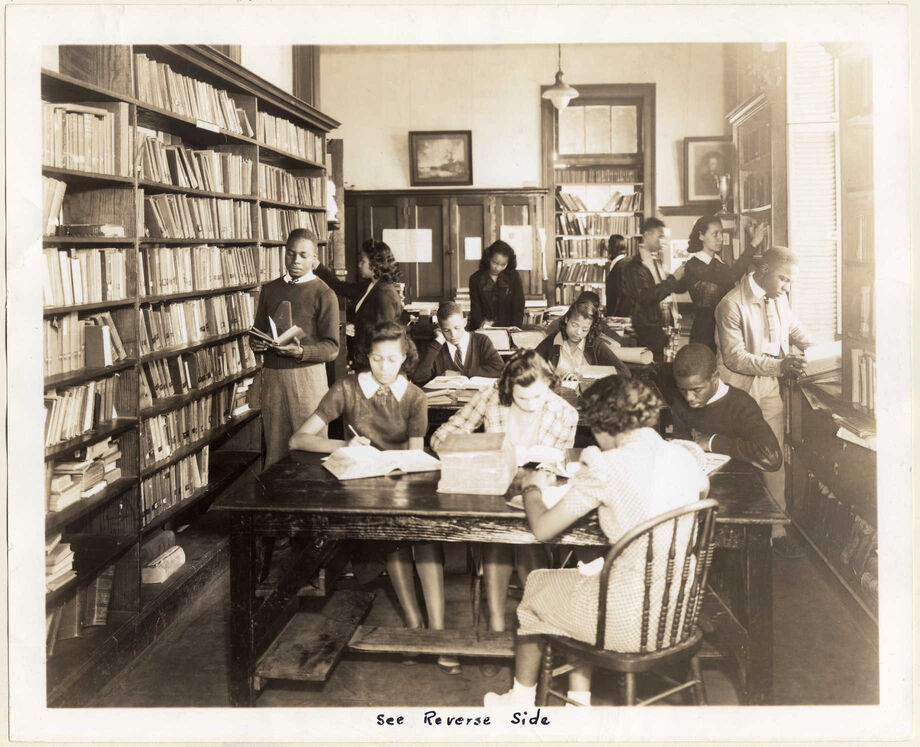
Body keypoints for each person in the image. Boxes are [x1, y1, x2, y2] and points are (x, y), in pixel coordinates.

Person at [484, 376, 709, 707]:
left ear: (605, 425)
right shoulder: (685, 456)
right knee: (585, 579)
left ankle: (519, 701)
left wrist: (531, 487)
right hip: (677, 613)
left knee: (537, 586)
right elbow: (701, 488)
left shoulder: (607, 466)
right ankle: (577, 702)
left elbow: (544, 529)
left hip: (626, 621)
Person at [288, 321, 460, 675]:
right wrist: (344, 443)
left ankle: (438, 631)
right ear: (366, 356)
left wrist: (399, 472)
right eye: (377, 358)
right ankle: (413, 623)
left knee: (426, 537)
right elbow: (299, 440)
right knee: (393, 540)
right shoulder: (347, 388)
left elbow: (415, 455)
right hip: (364, 489)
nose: (384, 367)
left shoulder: (415, 396)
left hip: (406, 483)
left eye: (392, 359)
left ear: (405, 358)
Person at [430, 350, 578, 639]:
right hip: (493, 489)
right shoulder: (492, 395)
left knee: (529, 540)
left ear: (549, 384)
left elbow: (561, 469)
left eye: (539, 396)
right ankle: (496, 624)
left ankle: (535, 621)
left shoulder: (565, 413)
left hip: (536, 496)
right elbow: (440, 437)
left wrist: (545, 471)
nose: (531, 405)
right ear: (509, 388)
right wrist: (478, 450)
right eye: (522, 398)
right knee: (496, 536)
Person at [715, 246, 814, 558]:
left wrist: (821, 352)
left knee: (773, 456)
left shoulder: (779, 298)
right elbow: (734, 358)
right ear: (765, 270)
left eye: (790, 281)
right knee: (735, 459)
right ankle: (729, 534)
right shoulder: (730, 304)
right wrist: (779, 366)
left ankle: (777, 531)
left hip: (768, 385)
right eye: (784, 279)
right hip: (736, 390)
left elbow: (794, 329)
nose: (788, 286)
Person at [251, 228, 339, 468]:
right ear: (284, 253)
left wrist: (302, 352)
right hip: (273, 378)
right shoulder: (270, 290)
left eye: (303, 255)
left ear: (314, 258)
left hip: (308, 378)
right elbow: (258, 331)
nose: (296, 261)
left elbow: (332, 348)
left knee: (311, 451)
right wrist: (257, 343)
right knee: (275, 449)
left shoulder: (324, 293)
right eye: (291, 254)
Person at [668, 343, 782, 472]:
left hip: (738, 482)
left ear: (715, 377)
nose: (689, 397)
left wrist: (712, 442)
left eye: (696, 390)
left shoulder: (741, 404)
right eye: (683, 390)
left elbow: (772, 458)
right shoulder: (679, 403)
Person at [315, 238, 403, 365]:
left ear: (375, 264)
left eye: (363, 261)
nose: (359, 265)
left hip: (374, 362)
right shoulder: (370, 285)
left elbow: (384, 336)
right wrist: (317, 266)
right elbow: (339, 287)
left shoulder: (385, 295)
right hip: (365, 358)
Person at [683, 215, 762, 351]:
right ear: (701, 236)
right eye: (715, 234)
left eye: (721, 233)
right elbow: (731, 276)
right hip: (705, 333)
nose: (720, 238)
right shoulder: (694, 265)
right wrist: (753, 244)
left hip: (723, 329)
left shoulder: (720, 263)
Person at [617, 217, 686, 361]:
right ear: (647, 235)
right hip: (646, 329)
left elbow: (667, 288)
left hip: (658, 327)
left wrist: (683, 277)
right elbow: (645, 296)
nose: (662, 241)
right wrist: (673, 279)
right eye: (659, 236)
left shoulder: (655, 262)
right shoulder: (634, 267)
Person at [534, 295, 631, 380]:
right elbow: (529, 367)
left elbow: (625, 372)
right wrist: (551, 377)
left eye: (585, 329)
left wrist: (589, 375)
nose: (578, 333)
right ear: (567, 319)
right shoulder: (551, 341)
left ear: (590, 328)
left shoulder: (595, 345)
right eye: (574, 325)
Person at [412, 301, 504, 386]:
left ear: (464, 322)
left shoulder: (481, 341)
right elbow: (418, 378)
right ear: (439, 327)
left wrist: (459, 374)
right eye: (446, 330)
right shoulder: (435, 347)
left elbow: (499, 369)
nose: (453, 335)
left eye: (457, 328)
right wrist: (437, 343)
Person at [468, 240, 525, 331]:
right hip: (484, 328)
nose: (498, 268)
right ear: (488, 258)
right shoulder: (475, 279)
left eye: (503, 265)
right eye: (495, 263)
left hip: (509, 328)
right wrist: (481, 323)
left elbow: (518, 307)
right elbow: (475, 308)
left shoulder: (514, 277)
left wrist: (514, 328)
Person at [604, 234, 629, 317]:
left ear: (612, 249)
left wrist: (610, 317)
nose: (607, 250)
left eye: (608, 247)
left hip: (619, 316)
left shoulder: (619, 267)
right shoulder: (625, 263)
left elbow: (617, 297)